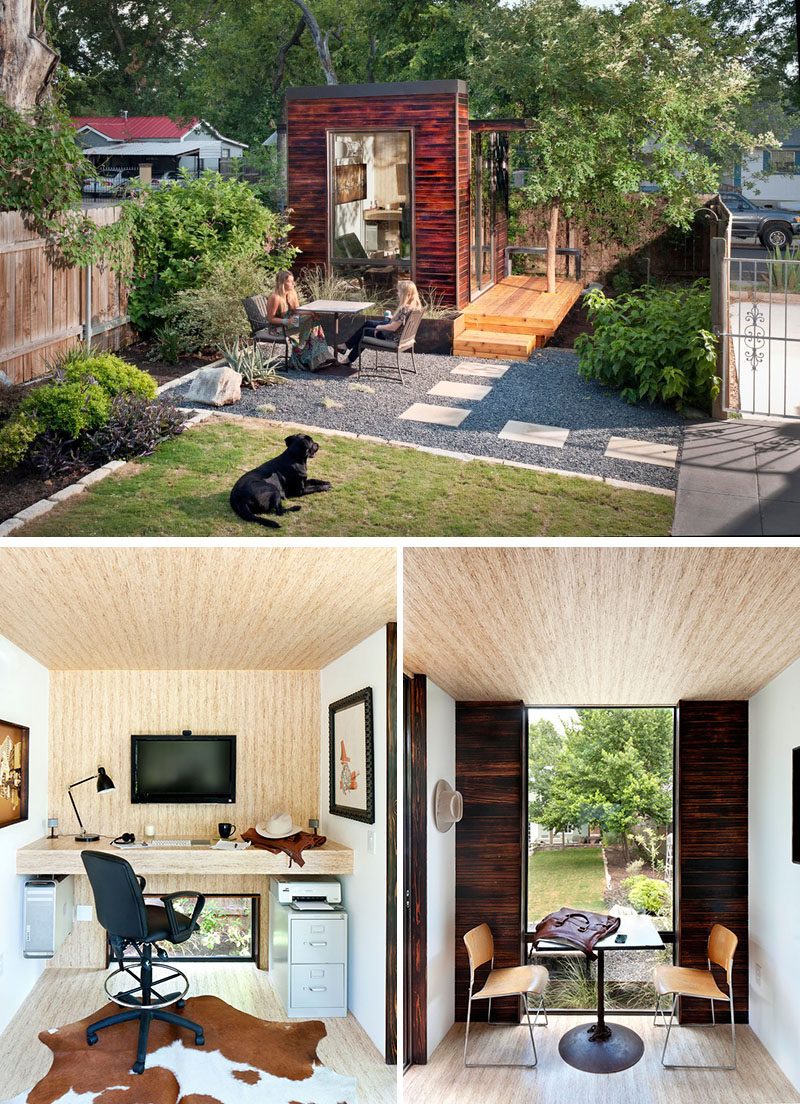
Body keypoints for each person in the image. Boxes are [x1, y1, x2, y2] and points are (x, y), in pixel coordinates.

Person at [340, 279, 422, 363]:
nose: (397, 293)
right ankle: (346, 346)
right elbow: (400, 322)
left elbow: (393, 328)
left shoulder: (405, 309)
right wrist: (393, 318)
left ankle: (348, 357)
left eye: (399, 291)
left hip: (392, 337)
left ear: (405, 294)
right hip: (402, 337)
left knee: (365, 333)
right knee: (368, 323)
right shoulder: (414, 307)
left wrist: (378, 327)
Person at [267, 270, 328, 371]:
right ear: (282, 283)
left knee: (313, 319)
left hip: (292, 322)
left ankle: (311, 358)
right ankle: (306, 358)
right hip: (278, 328)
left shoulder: (292, 293)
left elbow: (297, 311)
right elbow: (270, 319)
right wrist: (287, 321)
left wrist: (311, 313)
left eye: (293, 281)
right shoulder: (275, 297)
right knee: (310, 322)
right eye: (290, 281)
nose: (293, 283)